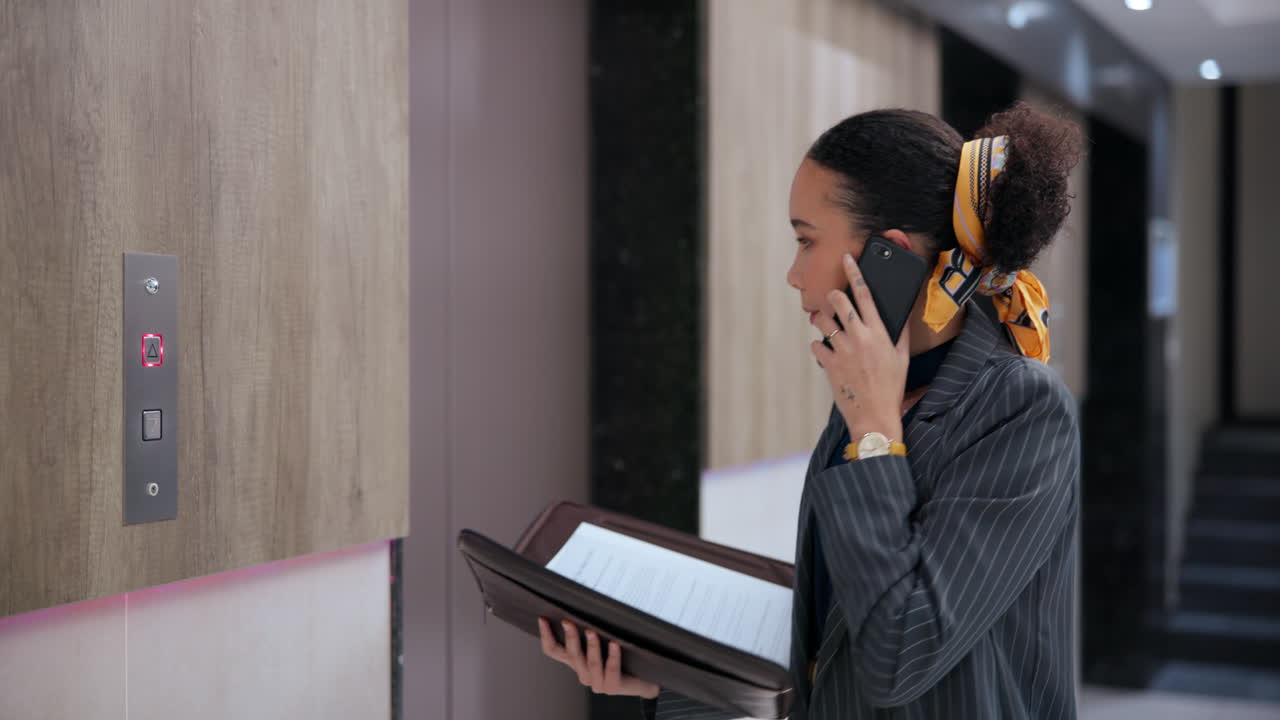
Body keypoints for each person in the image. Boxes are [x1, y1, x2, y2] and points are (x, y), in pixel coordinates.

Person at [538, 102, 1084, 719]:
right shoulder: (868, 399)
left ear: (890, 256)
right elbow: (833, 653)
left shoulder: (1020, 407)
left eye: (806, 241)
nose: (795, 275)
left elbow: (899, 656)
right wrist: (664, 675)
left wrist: (874, 432)